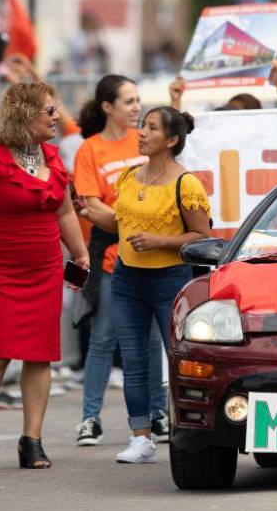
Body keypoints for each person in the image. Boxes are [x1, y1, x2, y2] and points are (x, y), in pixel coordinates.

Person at [0, 82, 90, 471]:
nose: (56, 117)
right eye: (48, 110)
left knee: (39, 355)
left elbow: (64, 212)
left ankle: (32, 440)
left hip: (44, 266)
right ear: (24, 114)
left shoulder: (52, 155)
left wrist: (79, 253)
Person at [79, 107, 211, 464]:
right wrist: (93, 213)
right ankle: (141, 437)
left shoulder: (187, 184)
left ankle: (189, 430)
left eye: (151, 128)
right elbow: (119, 222)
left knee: (179, 358)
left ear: (170, 140)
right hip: (125, 277)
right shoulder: (129, 177)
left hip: (169, 280)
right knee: (134, 360)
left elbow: (202, 236)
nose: (141, 132)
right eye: (142, 126)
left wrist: (160, 241)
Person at [72, 75, 166, 449]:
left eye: (138, 100)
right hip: (111, 258)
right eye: (128, 101)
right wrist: (130, 221)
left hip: (151, 253)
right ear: (107, 106)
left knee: (152, 339)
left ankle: (158, 415)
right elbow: (89, 204)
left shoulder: (144, 141)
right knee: (103, 337)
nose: (136, 107)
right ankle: (90, 419)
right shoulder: (90, 150)